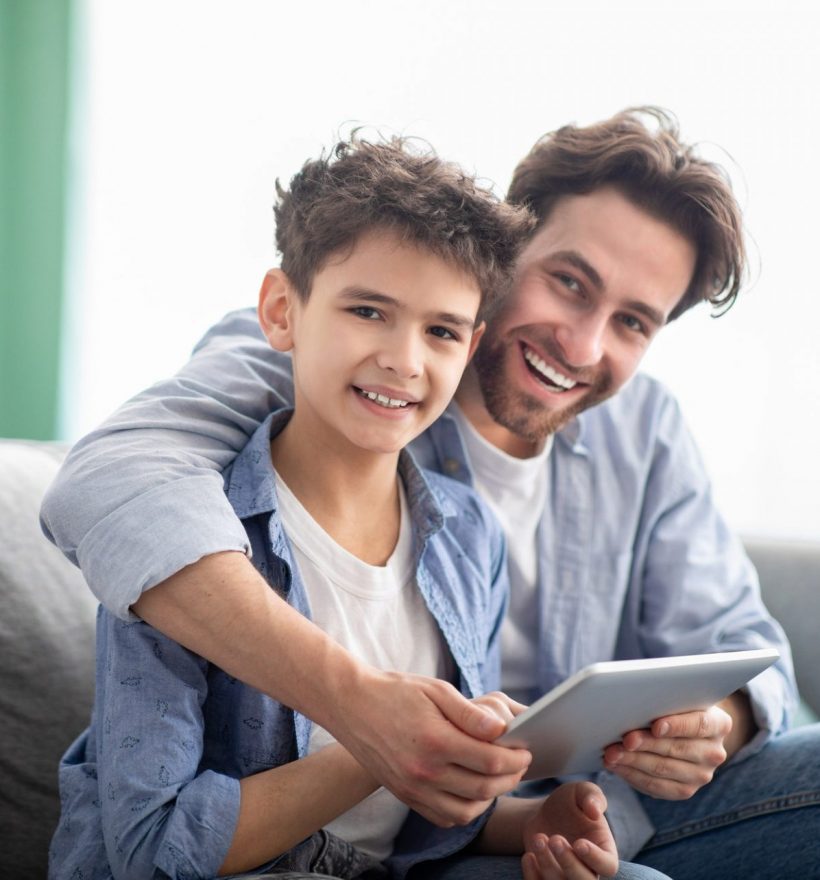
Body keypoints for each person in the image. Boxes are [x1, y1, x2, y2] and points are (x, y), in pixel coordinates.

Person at [42, 109, 820, 878]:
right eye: (568, 282)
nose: (582, 346)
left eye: (632, 322)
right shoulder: (325, 350)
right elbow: (115, 482)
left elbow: (744, 649)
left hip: (540, 820)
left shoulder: (624, 442)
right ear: (509, 251)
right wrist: (364, 712)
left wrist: (708, 724)